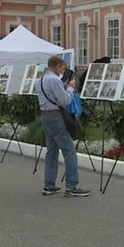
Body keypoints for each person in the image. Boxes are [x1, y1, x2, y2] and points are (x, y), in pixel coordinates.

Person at [35, 55, 90, 197]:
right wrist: (70, 88)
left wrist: (63, 87)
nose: (62, 72)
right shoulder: (54, 80)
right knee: (69, 151)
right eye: (62, 68)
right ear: (57, 66)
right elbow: (65, 100)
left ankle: (49, 185)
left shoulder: (40, 80)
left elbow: (53, 96)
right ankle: (72, 186)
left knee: (51, 151)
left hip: (45, 116)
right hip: (56, 117)